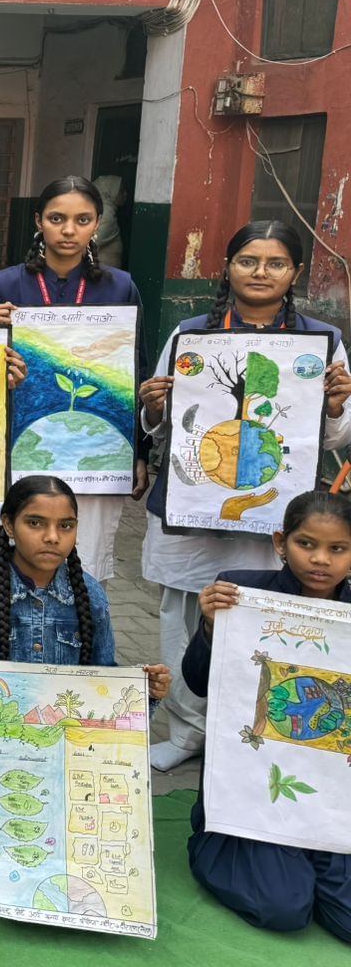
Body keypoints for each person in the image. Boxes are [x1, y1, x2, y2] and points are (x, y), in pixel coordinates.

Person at [139, 221, 351, 772]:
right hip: (193, 503)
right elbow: (160, 428)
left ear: (295, 273)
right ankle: (187, 732)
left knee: (264, 614)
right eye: (248, 261)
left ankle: (254, 732)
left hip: (272, 509)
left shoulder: (321, 342)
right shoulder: (191, 335)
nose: (261, 272)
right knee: (186, 613)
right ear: (226, 268)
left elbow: (330, 438)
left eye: (275, 263)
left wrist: (333, 406)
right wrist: (156, 405)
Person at [0, 474, 171, 900]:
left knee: (73, 879)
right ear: (7, 525)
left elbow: (103, 682)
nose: (52, 537)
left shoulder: (90, 596)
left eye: (66, 526)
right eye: (36, 523)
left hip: (65, 764)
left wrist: (143, 692)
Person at [181, 490, 351, 945]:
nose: (321, 560)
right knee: (284, 907)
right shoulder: (240, 593)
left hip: (335, 795)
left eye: (338, 549)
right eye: (306, 544)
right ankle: (213, 844)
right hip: (250, 794)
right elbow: (198, 683)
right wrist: (212, 627)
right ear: (281, 542)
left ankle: (315, 856)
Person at [0, 175, 145, 582]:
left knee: (85, 571)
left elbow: (134, 373)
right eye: (57, 218)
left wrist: (138, 452)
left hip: (95, 450)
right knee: (12, 567)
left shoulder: (120, 286)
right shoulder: (6, 284)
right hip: (20, 447)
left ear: (98, 222)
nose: (69, 230)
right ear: (38, 221)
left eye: (82, 219)